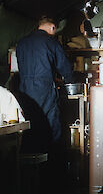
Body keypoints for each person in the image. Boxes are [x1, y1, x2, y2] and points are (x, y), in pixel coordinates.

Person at [16, 16, 73, 152]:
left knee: (30, 126)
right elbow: (65, 68)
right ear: (53, 27)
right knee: (51, 127)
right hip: (45, 90)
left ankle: (32, 166)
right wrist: (70, 82)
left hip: (24, 90)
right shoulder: (51, 42)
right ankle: (51, 165)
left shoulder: (22, 42)